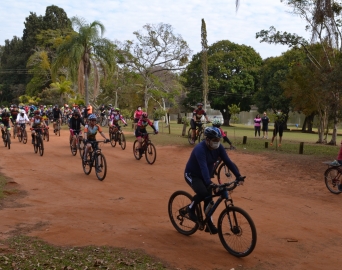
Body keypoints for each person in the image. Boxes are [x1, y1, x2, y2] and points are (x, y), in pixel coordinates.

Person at [184, 127, 243, 234]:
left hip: (205, 176)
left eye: (218, 140)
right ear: (207, 139)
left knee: (209, 199)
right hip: (193, 175)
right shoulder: (200, 149)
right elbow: (203, 167)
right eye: (214, 140)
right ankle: (190, 208)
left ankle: (209, 224)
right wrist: (209, 183)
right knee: (203, 193)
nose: (217, 143)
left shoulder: (219, 148)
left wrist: (238, 176)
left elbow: (228, 162)